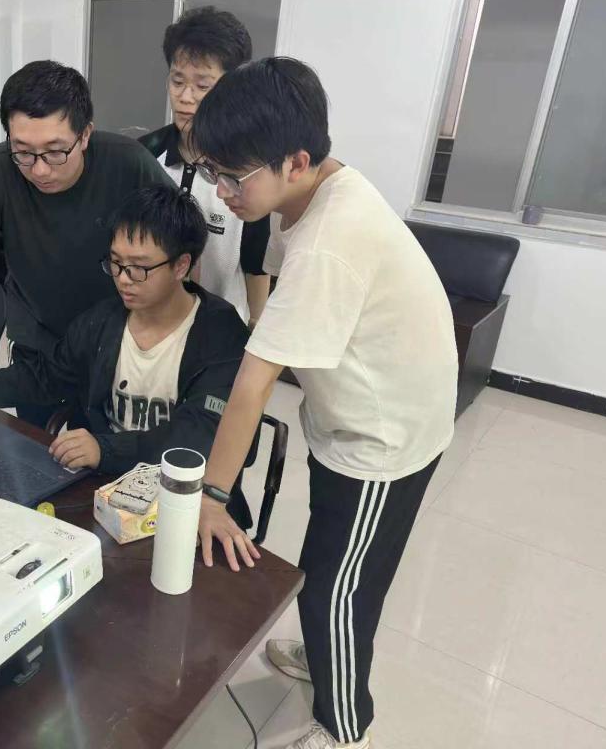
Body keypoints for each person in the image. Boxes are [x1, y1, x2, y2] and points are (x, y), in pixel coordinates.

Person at [189, 58, 458, 749]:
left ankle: (344, 728)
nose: (221, 193)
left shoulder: (330, 242)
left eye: (234, 177)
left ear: (297, 160)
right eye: (213, 172)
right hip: (362, 413)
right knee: (335, 566)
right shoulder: (317, 191)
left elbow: (253, 383)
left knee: (336, 589)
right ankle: (324, 651)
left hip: (384, 440)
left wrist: (212, 497)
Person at [0, 184, 255, 527]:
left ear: (181, 266)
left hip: (188, 500)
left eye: (139, 268)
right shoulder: (104, 320)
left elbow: (198, 437)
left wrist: (105, 449)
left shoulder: (221, 335)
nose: (123, 279)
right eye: (116, 263)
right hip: (106, 490)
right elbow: (46, 376)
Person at [0, 60, 172, 428]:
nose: (39, 170)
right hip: (37, 343)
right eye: (23, 151)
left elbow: (180, 242)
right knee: (35, 444)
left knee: (101, 447)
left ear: (84, 135)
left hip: (116, 340)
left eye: (55, 152)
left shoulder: (129, 163)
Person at [139, 6, 271, 328]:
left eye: (202, 86)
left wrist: (257, 327)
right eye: (177, 81)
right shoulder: (144, 155)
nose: (185, 97)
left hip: (223, 330)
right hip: (155, 325)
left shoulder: (251, 169)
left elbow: (256, 263)